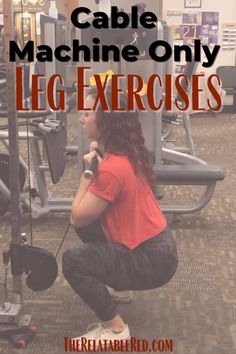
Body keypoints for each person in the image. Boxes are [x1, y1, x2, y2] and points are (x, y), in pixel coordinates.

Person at [62, 87, 178, 348]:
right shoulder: (127, 151)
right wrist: (99, 150)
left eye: (88, 113)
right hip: (159, 249)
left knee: (73, 260)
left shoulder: (113, 169)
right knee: (93, 226)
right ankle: (122, 288)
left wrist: (87, 174)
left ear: (105, 122)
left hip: (152, 261)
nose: (82, 118)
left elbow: (76, 217)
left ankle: (115, 330)